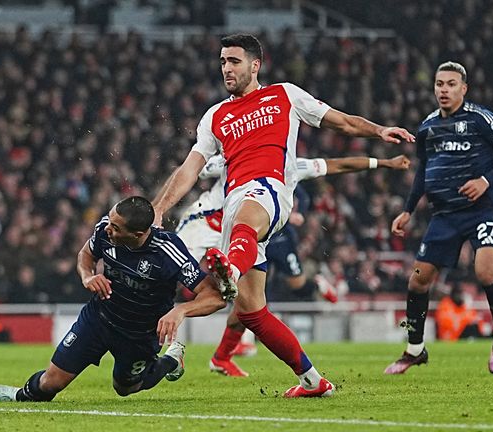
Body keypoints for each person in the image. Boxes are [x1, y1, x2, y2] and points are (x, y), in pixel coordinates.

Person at [152, 34, 414, 397]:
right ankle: (313, 381)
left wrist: (378, 130)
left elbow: (341, 122)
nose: (226, 68)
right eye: (223, 61)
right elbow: (188, 169)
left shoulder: (285, 95)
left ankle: (230, 267)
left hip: (268, 191)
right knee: (251, 313)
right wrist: (159, 208)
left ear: (255, 65)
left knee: (245, 222)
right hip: (234, 209)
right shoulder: (215, 116)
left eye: (234, 61)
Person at [0, 196, 226, 402]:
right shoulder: (105, 229)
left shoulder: (167, 251)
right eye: (110, 220)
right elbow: (85, 254)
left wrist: (180, 311)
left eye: (116, 227)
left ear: (138, 234)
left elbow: (214, 297)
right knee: (50, 384)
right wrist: (87, 276)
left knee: (125, 388)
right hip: (99, 319)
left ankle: (171, 361)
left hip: (139, 334)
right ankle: (18, 396)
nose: (108, 228)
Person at [386, 61, 493, 375]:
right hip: (444, 215)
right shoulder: (427, 127)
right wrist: (408, 209)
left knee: (486, 270)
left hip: (481, 210)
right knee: (418, 280)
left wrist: (486, 180)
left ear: (464, 88)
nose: (443, 90)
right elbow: (423, 170)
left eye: (450, 84)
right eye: (439, 84)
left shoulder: (481, 119)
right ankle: (414, 349)